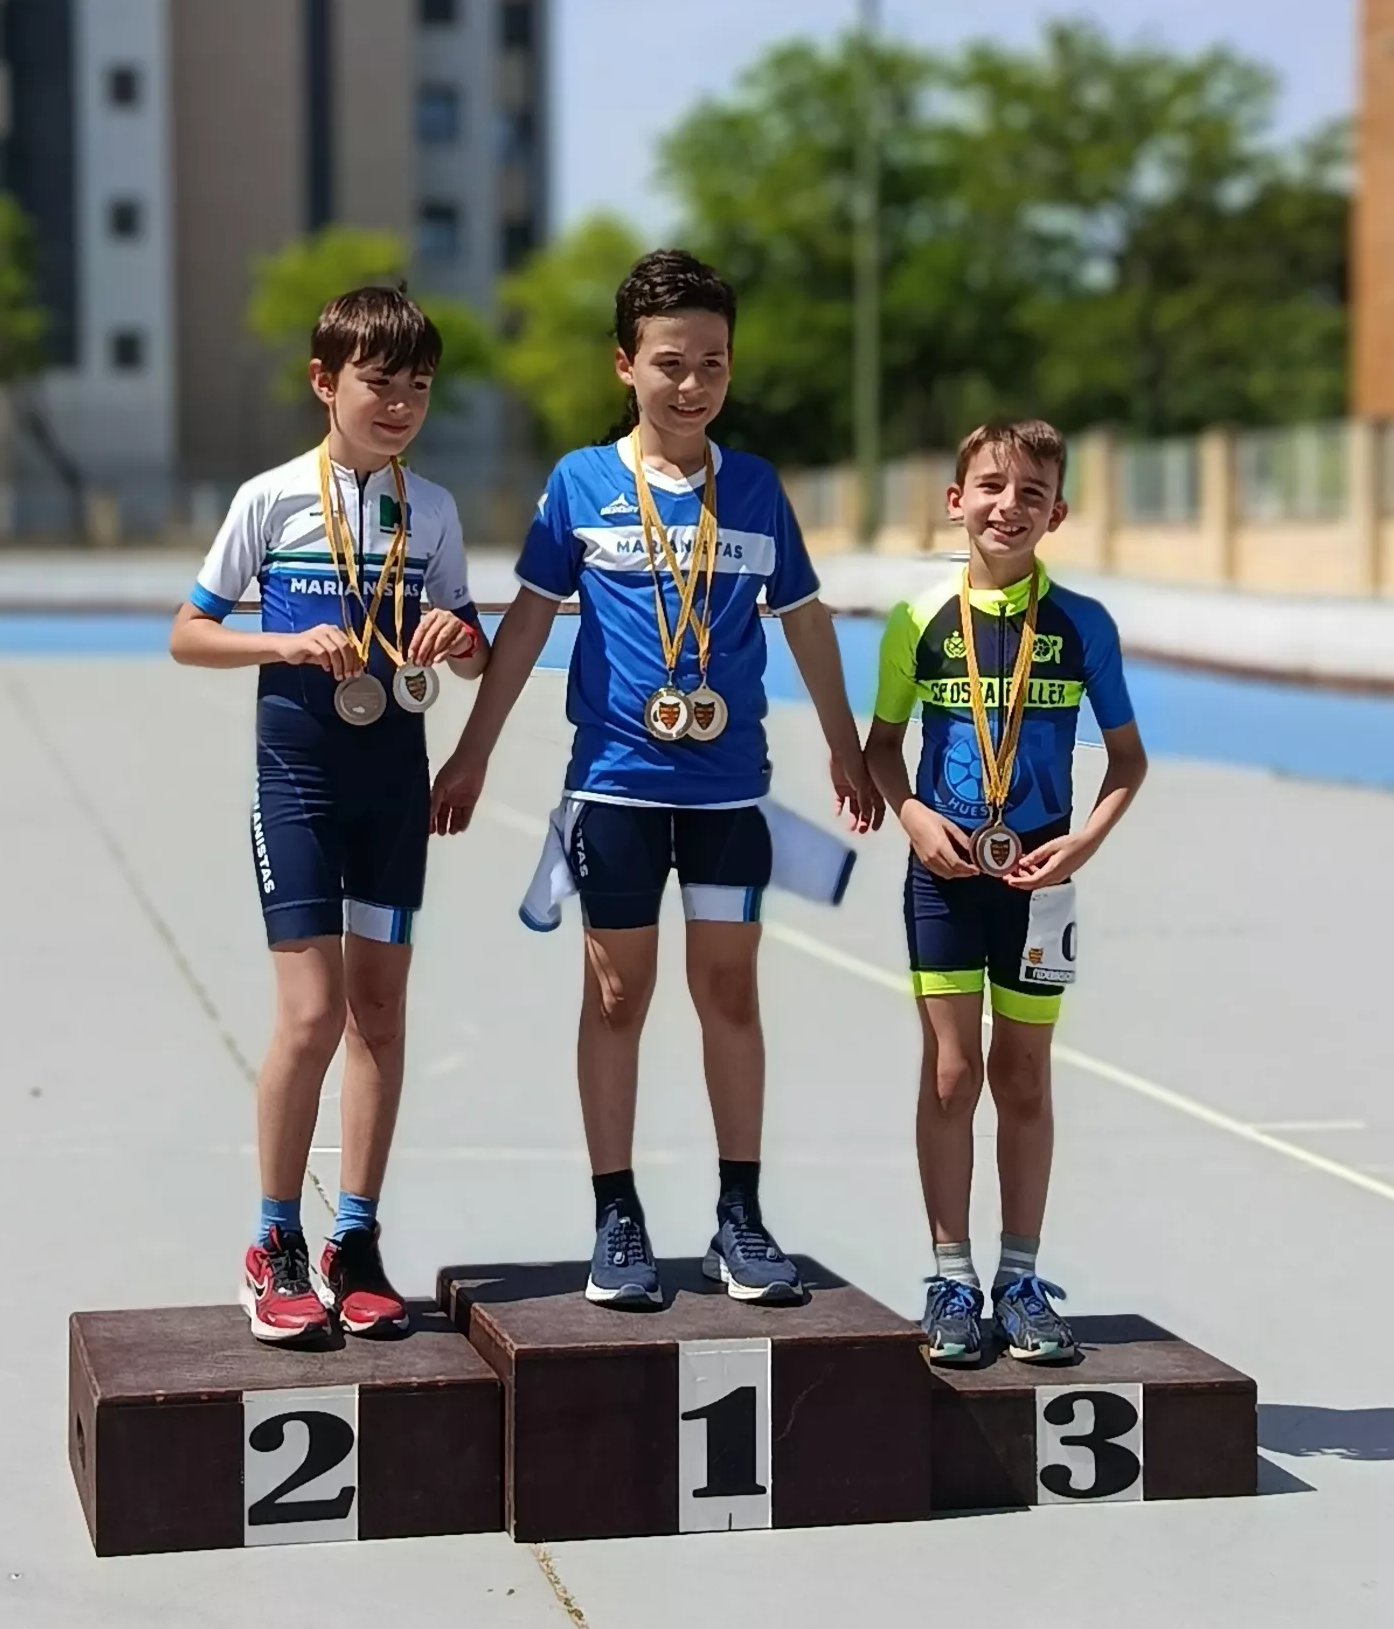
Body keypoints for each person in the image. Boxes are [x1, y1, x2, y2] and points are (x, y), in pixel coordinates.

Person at [430, 249, 881, 1309]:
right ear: (623, 365)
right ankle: (615, 1214)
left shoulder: (758, 489)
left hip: (728, 793)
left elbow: (804, 622)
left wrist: (843, 743)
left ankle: (739, 1215)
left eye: (713, 364)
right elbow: (533, 620)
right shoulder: (580, 485)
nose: (692, 385)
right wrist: (473, 749)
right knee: (616, 994)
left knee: (729, 991)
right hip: (617, 790)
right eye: (670, 363)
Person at [168, 286, 488, 1344]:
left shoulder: (430, 509)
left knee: (380, 1015)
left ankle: (354, 1238)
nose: (397, 405)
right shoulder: (268, 500)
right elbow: (188, 633)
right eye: (376, 384)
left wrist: (455, 634)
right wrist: (284, 646)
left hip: (392, 780)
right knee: (309, 1015)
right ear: (324, 382)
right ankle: (274, 1241)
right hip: (297, 781)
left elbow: (472, 641)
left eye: (417, 388)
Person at [865, 419, 1147, 1364]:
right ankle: (951, 1276)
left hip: (1040, 879)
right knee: (952, 1072)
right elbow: (879, 750)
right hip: (944, 874)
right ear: (956, 500)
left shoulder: (1083, 627)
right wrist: (911, 816)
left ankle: (1020, 1277)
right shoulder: (917, 623)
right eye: (990, 486)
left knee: (1023, 1073)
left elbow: (1126, 761)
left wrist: (1082, 843)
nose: (1008, 505)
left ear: (1057, 512)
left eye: (1032, 493)